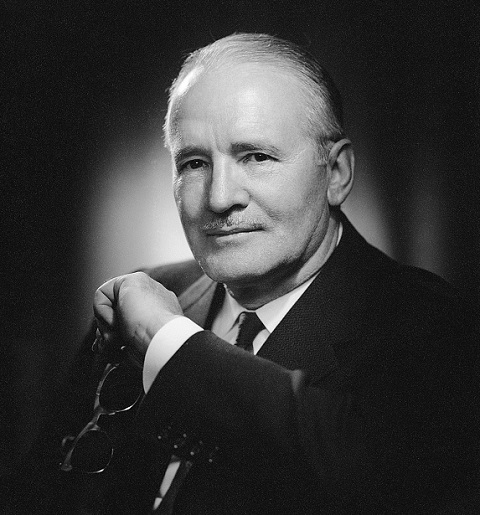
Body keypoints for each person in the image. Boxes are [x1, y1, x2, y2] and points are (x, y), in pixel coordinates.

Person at [6, 33, 479, 514]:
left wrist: (167, 340)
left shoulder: (430, 326)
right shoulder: (153, 290)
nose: (219, 197)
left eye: (257, 156)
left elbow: (373, 480)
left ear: (336, 173)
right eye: (193, 163)